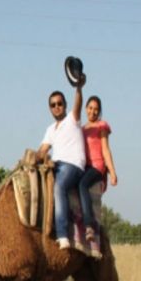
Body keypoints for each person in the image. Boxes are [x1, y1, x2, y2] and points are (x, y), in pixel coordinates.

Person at [37, 75, 86, 249]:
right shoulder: (50, 129)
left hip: (72, 164)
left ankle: (63, 234)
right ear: (50, 108)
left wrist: (78, 88)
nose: (57, 107)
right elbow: (42, 150)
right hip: (56, 166)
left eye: (59, 103)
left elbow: (78, 103)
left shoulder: (72, 119)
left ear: (65, 105)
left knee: (59, 186)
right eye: (53, 105)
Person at [80, 95, 118, 241]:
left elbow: (105, 149)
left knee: (82, 185)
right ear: (85, 109)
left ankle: (89, 226)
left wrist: (113, 172)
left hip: (97, 166)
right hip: (85, 166)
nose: (93, 112)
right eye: (90, 108)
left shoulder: (102, 125)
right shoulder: (82, 129)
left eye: (96, 109)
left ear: (99, 111)